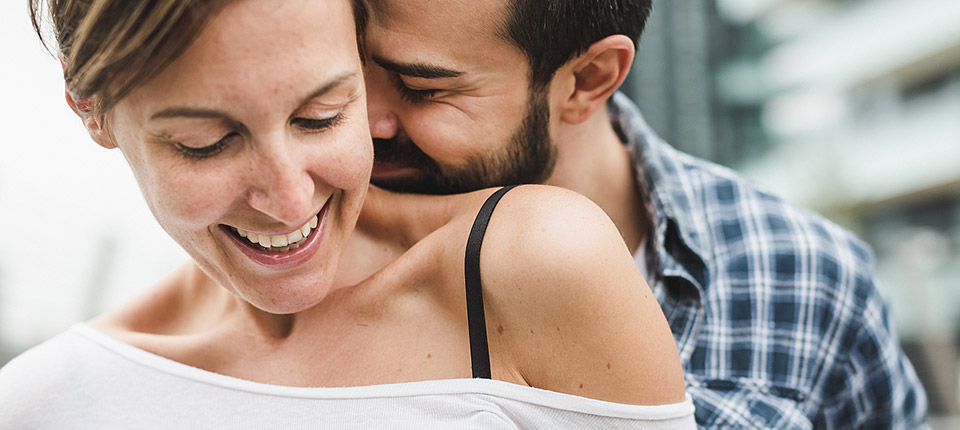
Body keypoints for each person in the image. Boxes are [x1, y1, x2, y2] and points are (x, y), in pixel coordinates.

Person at [0, 0, 696, 428]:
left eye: (320, 116)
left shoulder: (539, 261)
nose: (290, 199)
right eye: (205, 144)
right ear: (93, 112)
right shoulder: (41, 403)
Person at [360, 0, 930, 428]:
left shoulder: (809, 280)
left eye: (419, 88)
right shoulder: (301, 258)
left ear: (588, 79)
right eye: (350, 70)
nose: (364, 121)